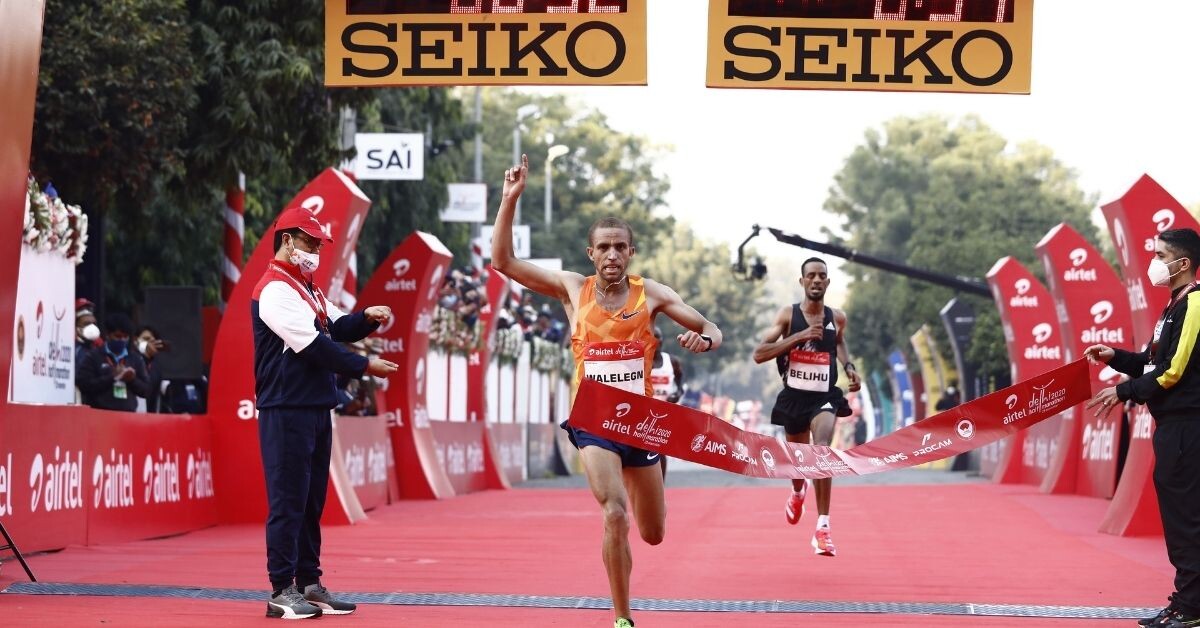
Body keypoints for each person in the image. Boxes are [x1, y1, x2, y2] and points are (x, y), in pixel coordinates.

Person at [492, 154, 722, 628]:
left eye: (620, 246)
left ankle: (655, 468)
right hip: (593, 420)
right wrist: (509, 199)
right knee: (614, 513)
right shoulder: (572, 289)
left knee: (653, 533)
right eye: (604, 247)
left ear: (630, 252)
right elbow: (504, 262)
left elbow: (710, 327)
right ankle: (622, 617)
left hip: (641, 422)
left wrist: (705, 340)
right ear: (590, 254)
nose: (612, 254)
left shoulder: (651, 293)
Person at [252, 204, 399, 620]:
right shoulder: (274, 289)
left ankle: (309, 583)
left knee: (311, 503)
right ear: (287, 240)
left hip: (315, 406)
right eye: (311, 242)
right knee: (288, 502)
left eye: (319, 244)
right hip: (286, 408)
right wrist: (365, 365)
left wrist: (366, 319)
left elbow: (337, 326)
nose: (316, 250)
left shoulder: (307, 289)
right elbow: (316, 347)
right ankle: (281, 590)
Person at [1084, 228, 1200, 628]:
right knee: (1181, 520)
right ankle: (1187, 603)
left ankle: (1190, 608)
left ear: (1182, 263)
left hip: (1188, 429)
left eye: (1160, 255)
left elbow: (1173, 371)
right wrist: (1114, 357)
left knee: (1186, 521)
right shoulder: (1173, 306)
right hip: (1172, 429)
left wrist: (1124, 392)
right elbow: (1152, 364)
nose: (1154, 262)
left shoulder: (1195, 303)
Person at [753, 257, 861, 557]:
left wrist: (849, 367)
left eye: (821, 276)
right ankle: (798, 490)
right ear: (802, 281)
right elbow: (759, 353)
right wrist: (799, 336)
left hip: (824, 396)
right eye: (810, 275)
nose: (816, 280)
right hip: (794, 398)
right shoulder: (788, 315)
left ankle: (823, 528)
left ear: (827, 282)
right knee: (799, 462)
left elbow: (839, 342)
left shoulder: (837, 317)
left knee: (822, 449)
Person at [76, 313, 152, 412]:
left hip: (127, 415)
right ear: (108, 335)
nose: (122, 340)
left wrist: (132, 380)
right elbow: (84, 385)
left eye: (125, 337)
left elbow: (146, 391)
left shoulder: (135, 359)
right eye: (118, 336)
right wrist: (112, 377)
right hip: (100, 414)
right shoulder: (94, 356)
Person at [650, 325, 686, 477]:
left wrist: (677, 394)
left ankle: (661, 483)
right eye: (652, 337)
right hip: (644, 411)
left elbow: (680, 384)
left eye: (658, 337)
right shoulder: (641, 361)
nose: (655, 340)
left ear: (662, 341)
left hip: (665, 413)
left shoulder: (671, 361)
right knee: (645, 449)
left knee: (659, 448)